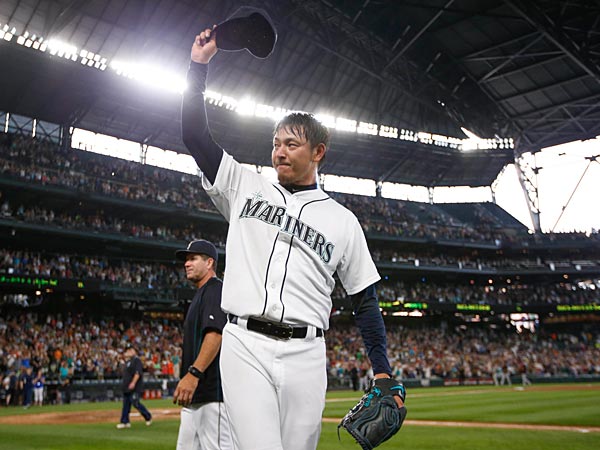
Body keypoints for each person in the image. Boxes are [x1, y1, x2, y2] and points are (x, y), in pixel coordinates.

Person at [181, 24, 405, 450]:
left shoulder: (343, 221)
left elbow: (364, 300)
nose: (279, 151)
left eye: (292, 144)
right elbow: (194, 136)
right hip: (244, 343)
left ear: (318, 153)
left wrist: (382, 370)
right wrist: (198, 67)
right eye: (276, 143)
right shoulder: (245, 185)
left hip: (307, 354)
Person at [172, 239, 232, 450]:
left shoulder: (215, 290)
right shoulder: (201, 294)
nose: (187, 263)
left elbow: (216, 335)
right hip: (196, 397)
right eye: (186, 260)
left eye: (193, 258)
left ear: (209, 263)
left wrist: (193, 374)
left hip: (211, 394)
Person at [116, 345, 152, 429]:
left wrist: (133, 383)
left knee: (135, 402)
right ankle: (125, 421)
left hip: (135, 387)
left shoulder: (136, 360)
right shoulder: (128, 362)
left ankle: (147, 416)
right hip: (126, 387)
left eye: (129, 350)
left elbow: (137, 373)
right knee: (126, 405)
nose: (127, 352)